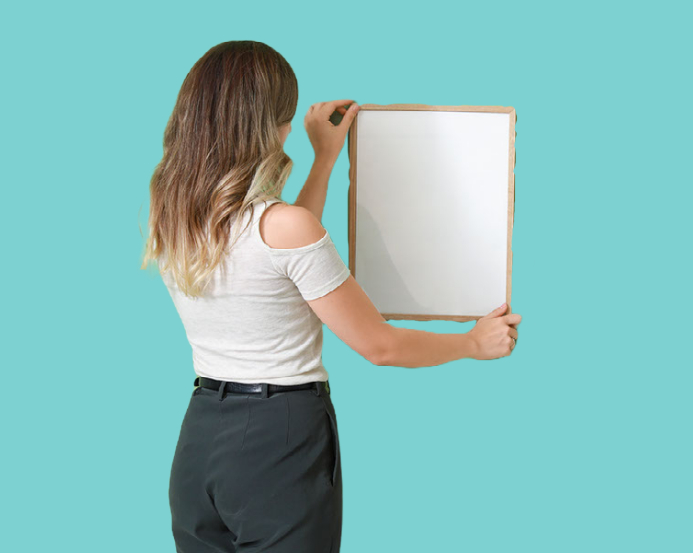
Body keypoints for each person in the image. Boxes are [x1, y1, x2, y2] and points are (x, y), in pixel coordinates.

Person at [141, 40, 522, 553]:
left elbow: (283, 249)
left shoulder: (175, 221)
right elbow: (379, 346)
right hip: (279, 440)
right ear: (269, 128)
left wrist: (325, 158)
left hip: (201, 439)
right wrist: (472, 343)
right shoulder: (283, 228)